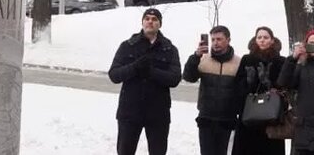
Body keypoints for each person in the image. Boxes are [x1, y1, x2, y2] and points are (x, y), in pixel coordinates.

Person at [107, 8, 182, 155]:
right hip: (129, 111)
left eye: (154, 20)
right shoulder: (127, 45)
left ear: (160, 24)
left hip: (158, 113)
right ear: (142, 22)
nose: (150, 22)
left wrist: (152, 72)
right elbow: (114, 75)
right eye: (147, 18)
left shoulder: (169, 49)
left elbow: (174, 79)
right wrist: (135, 67)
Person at [183, 25, 244, 155]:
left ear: (228, 40)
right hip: (206, 118)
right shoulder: (203, 59)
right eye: (213, 39)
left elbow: (242, 90)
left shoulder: (238, 62)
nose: (215, 43)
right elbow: (188, 77)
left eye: (219, 39)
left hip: (228, 120)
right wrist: (195, 56)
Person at [233, 26, 286, 155]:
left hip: (271, 117)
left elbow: (285, 87)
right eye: (259, 37)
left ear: (272, 40)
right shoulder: (247, 59)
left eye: (266, 37)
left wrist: (269, 83)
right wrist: (249, 83)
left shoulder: (280, 61)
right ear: (255, 40)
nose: (262, 40)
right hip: (249, 116)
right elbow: (237, 87)